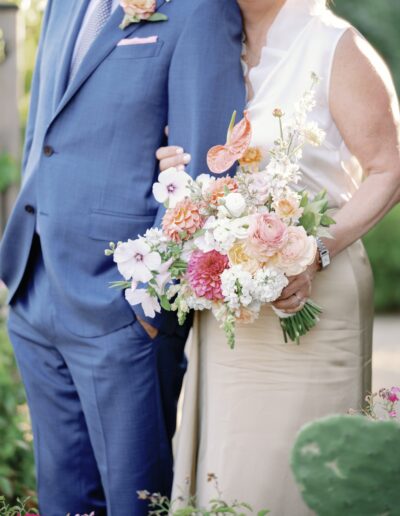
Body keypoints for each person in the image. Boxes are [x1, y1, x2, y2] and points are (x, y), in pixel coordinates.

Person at [0, 0, 245, 514]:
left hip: (121, 306)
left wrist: (147, 305)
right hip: (35, 288)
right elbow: (42, 134)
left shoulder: (201, 10)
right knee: (62, 499)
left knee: (134, 502)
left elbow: (207, 170)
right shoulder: (62, 5)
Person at [157, 0, 400, 513]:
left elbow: (388, 169)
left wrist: (317, 251)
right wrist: (174, 161)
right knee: (231, 471)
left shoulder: (337, 45)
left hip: (314, 299)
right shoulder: (211, 50)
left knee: (299, 475)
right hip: (232, 312)